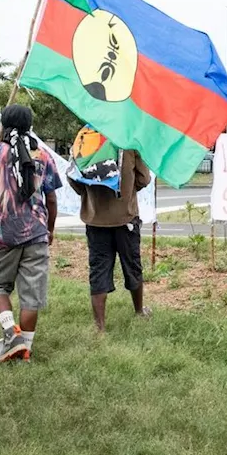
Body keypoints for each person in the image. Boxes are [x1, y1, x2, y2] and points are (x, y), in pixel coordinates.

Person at [0, 104, 62, 362]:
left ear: (4, 125)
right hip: (36, 233)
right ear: (29, 126)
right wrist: (50, 230)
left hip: (4, 234)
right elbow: (52, 199)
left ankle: (10, 333)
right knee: (31, 295)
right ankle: (25, 349)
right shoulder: (44, 156)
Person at [67, 128, 154, 331]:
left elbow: (74, 179)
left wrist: (90, 192)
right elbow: (143, 179)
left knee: (98, 269)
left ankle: (100, 327)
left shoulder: (84, 138)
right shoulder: (128, 139)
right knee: (132, 264)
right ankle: (139, 311)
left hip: (95, 219)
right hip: (125, 217)